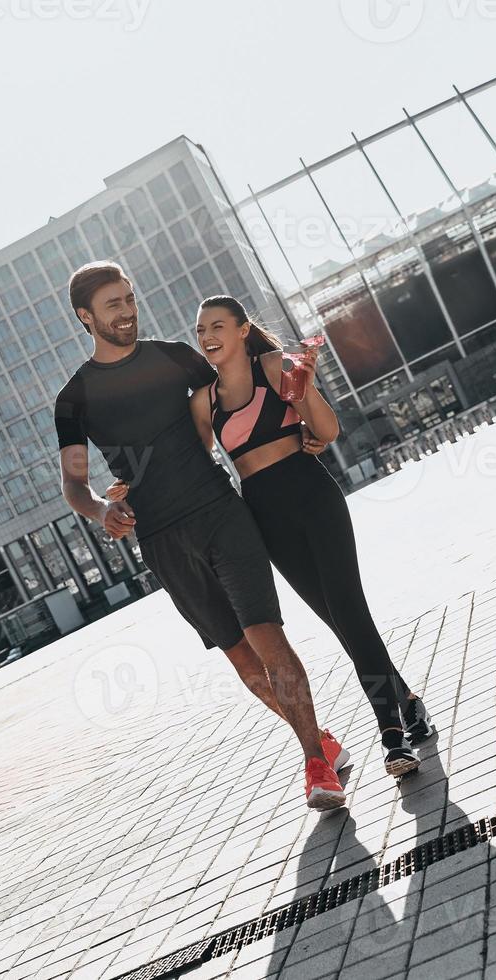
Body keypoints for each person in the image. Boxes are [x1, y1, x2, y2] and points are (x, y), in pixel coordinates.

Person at [54, 261, 349, 810]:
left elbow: (238, 384)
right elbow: (74, 482)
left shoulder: (173, 357)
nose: (127, 311)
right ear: (85, 316)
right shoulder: (74, 400)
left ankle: (315, 765)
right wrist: (99, 510)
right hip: (162, 540)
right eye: (113, 304)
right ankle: (320, 741)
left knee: (266, 637)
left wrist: (296, 426)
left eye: (129, 298)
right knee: (241, 660)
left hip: (220, 512)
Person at [109, 295, 432, 777]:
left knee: (349, 609)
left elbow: (327, 429)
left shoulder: (275, 365)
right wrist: (135, 483)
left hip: (313, 495)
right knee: (336, 618)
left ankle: (391, 733)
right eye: (200, 331)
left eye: (216, 326)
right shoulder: (205, 401)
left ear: (241, 330)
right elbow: (190, 463)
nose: (206, 337)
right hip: (264, 515)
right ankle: (406, 701)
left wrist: (302, 391)